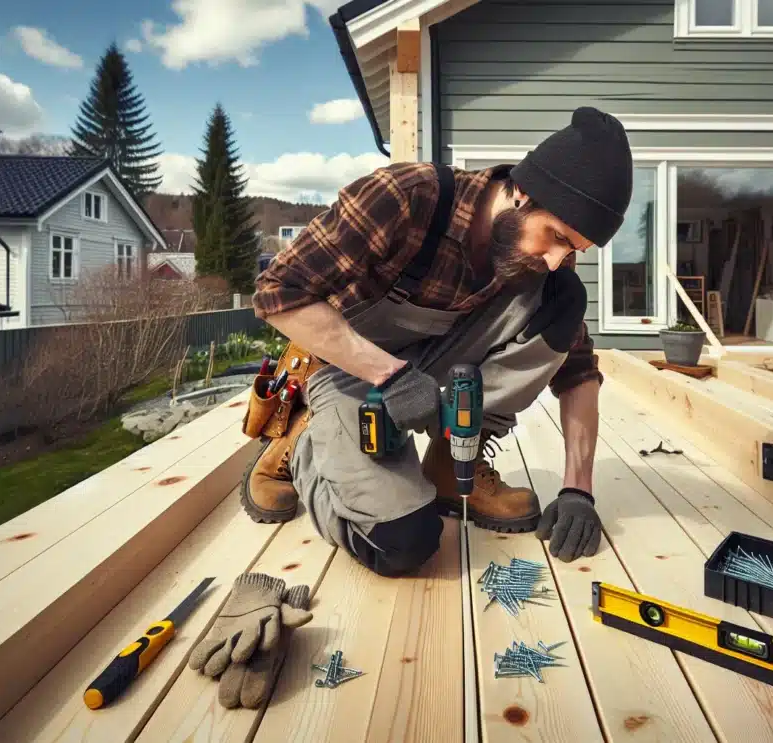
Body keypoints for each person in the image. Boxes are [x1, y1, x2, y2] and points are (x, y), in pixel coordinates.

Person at [246, 106, 634, 577]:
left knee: (564, 298)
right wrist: (389, 375)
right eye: (556, 236)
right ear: (522, 192)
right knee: (404, 542)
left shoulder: (547, 267)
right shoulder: (407, 198)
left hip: (429, 373)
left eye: (573, 248)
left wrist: (578, 489)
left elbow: (577, 370)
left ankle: (453, 462)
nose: (558, 258)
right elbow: (277, 293)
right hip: (346, 372)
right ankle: (303, 442)